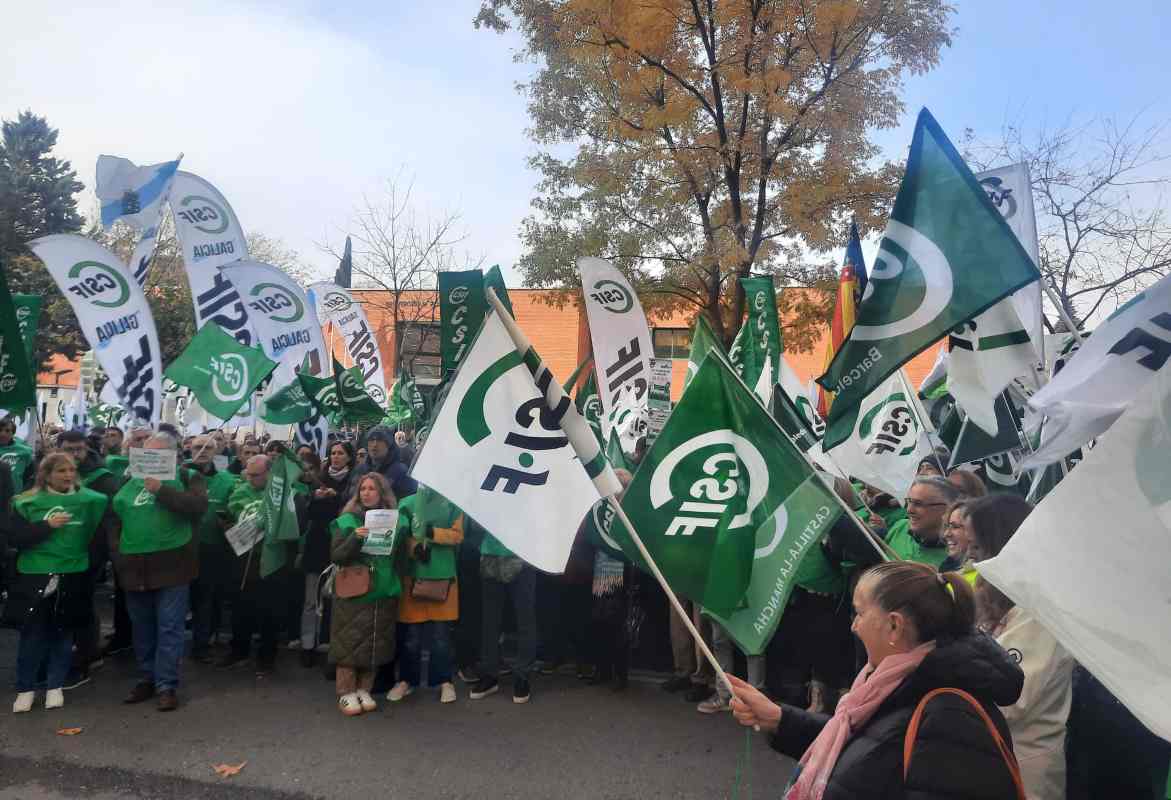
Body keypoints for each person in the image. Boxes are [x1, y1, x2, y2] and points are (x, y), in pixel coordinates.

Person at [728, 560, 1025, 799]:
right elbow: (867, 747)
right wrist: (779, 719)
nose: (854, 625)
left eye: (859, 612)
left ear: (894, 625)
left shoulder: (949, 718)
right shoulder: (897, 683)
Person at [968, 494, 1073, 800]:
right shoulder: (995, 598)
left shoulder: (1041, 610)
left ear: (1002, 546)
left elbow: (1012, 698)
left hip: (1025, 762)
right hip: (996, 754)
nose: (972, 559)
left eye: (977, 547)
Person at [109, 432, 208, 711]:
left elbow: (198, 507)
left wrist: (161, 491)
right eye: (146, 452)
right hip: (134, 566)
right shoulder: (129, 480)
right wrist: (117, 554)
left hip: (173, 566)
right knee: (142, 627)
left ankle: (166, 685)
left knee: (169, 627)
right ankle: (146, 678)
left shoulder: (189, 477)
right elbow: (114, 520)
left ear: (173, 455)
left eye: (158, 453)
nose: (151, 457)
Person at [6, 454, 109, 713]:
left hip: (73, 573)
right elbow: (16, 538)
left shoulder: (92, 501)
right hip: (34, 575)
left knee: (63, 634)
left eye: (72, 470)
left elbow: (98, 536)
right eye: (61, 470)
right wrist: (46, 526)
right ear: (46, 474)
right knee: (32, 635)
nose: (67, 475)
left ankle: (55, 686)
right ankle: (25, 688)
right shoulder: (25, 501)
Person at [329, 472, 401, 716]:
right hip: (356, 589)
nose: (367, 493)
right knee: (349, 642)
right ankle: (346, 692)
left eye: (372, 489)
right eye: (363, 489)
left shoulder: (395, 520)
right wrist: (355, 539)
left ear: (382, 493)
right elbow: (337, 555)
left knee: (374, 641)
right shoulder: (347, 520)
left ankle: (364, 689)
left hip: (383, 587)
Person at [219, 455, 297, 678]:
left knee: (270, 611)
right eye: (248, 473)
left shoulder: (282, 493)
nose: (250, 478)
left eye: (256, 475)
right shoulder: (241, 492)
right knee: (242, 607)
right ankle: (239, 650)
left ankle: (267, 656)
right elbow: (235, 512)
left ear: (269, 474)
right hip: (246, 557)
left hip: (273, 558)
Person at [389, 486, 464, 704]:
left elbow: (458, 536)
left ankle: (444, 682)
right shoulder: (406, 503)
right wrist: (413, 547)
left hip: (443, 579)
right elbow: (400, 535)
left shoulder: (452, 503)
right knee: (411, 638)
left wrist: (431, 533)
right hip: (414, 577)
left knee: (441, 638)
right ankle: (406, 681)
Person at [57, 430, 119, 686]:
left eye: (79, 449)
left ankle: (86, 656)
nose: (74, 455)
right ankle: (61, 654)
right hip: (53, 553)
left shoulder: (102, 478)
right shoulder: (47, 470)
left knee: (81, 603)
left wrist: (98, 553)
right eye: (68, 449)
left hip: (86, 553)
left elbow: (109, 519)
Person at [469, 521, 537, 705]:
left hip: (522, 555)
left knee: (525, 619)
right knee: (490, 621)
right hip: (490, 553)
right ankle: (490, 674)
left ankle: (522, 675)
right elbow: (474, 521)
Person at [300, 441, 355, 666]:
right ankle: (307, 644)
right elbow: (308, 513)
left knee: (338, 602)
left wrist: (337, 498)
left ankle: (336, 648)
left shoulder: (354, 481)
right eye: (332, 453)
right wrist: (315, 497)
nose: (335, 457)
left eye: (340, 453)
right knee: (311, 600)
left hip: (340, 547)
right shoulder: (318, 479)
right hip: (317, 546)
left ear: (349, 458)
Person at [186, 435, 239, 663]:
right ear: (189, 449)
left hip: (212, 547)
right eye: (198, 446)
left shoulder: (227, 480)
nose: (203, 450)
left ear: (216, 451)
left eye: (208, 447)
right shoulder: (178, 475)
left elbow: (234, 510)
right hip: (179, 546)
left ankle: (202, 644)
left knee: (206, 598)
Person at [874, 477, 960, 567]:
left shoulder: (960, 551)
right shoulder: (901, 526)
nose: (909, 510)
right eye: (909, 501)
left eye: (918, 504)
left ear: (948, 508)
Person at [351, 426, 416, 500]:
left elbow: (410, 501)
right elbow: (349, 496)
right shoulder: (360, 470)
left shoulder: (401, 471)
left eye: (380, 440)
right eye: (371, 440)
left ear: (389, 444)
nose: (375, 444)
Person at [939, 500, 978, 584]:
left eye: (955, 527)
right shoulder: (946, 567)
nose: (946, 534)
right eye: (947, 526)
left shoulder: (986, 577)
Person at [0, 415, 35, 490]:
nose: (3, 434)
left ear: (13, 433)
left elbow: (31, 476)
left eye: (7, 431)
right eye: (0, 430)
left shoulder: (25, 451)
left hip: (16, 497)